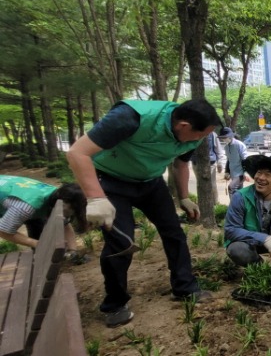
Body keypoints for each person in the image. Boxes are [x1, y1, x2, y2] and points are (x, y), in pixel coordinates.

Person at [66, 98, 220, 328]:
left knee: (174, 232)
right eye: (200, 135)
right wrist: (95, 197)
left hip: (150, 182)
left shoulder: (194, 135)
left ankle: (185, 287)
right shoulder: (129, 117)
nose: (201, 140)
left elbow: (180, 164)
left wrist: (184, 197)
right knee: (121, 243)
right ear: (184, 126)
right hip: (111, 180)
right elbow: (77, 153)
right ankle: (114, 304)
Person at [0, 176, 88, 261]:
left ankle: (41, 255)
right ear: (64, 202)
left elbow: (65, 225)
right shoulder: (26, 206)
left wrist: (73, 251)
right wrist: (39, 244)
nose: (72, 213)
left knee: (36, 221)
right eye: (72, 210)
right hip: (15, 198)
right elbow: (4, 231)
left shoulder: (56, 195)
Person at [191, 131, 226, 205]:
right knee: (200, 184)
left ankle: (215, 203)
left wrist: (220, 163)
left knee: (212, 185)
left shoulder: (213, 134)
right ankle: (203, 203)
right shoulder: (193, 131)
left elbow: (219, 150)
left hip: (210, 164)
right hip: (195, 163)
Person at [219, 127, 247, 196]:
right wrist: (227, 172)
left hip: (240, 173)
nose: (224, 139)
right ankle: (240, 206)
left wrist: (246, 173)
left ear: (231, 136)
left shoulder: (239, 145)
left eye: (225, 137)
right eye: (222, 137)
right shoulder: (226, 147)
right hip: (233, 173)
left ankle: (233, 206)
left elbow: (245, 159)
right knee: (239, 192)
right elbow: (228, 160)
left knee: (231, 188)